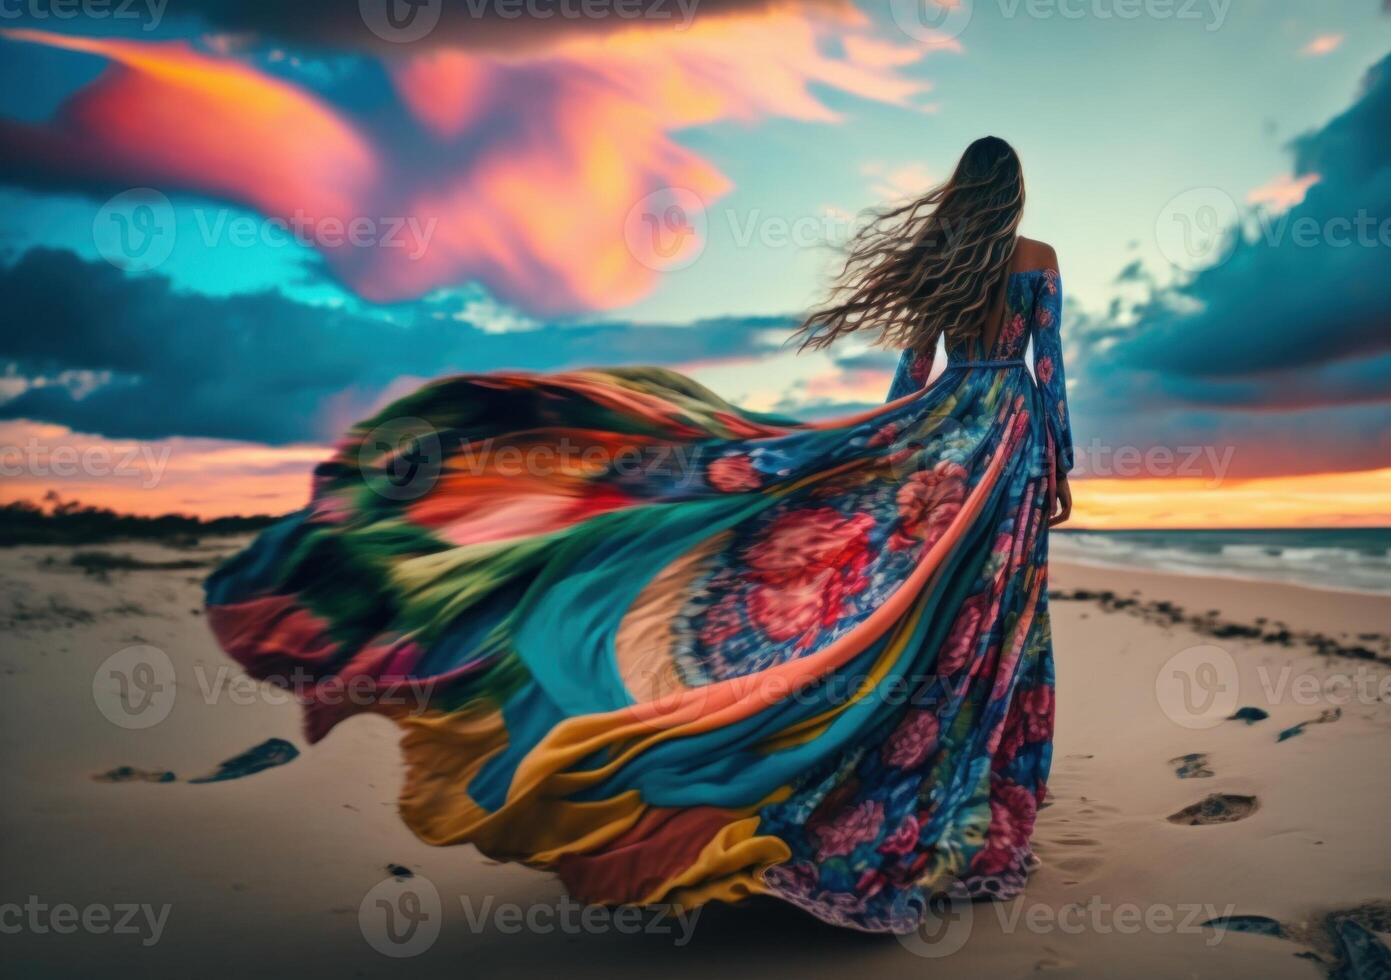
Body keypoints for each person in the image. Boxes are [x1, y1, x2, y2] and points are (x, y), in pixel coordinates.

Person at [205, 135, 1073, 934]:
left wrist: (869, 451)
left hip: (941, 431)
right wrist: (1058, 463)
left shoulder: (940, 260)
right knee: (987, 616)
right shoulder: (1037, 261)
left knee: (917, 607)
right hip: (1009, 439)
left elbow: (911, 374)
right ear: (1018, 193)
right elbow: (1050, 370)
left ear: (961, 194)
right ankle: (958, 790)